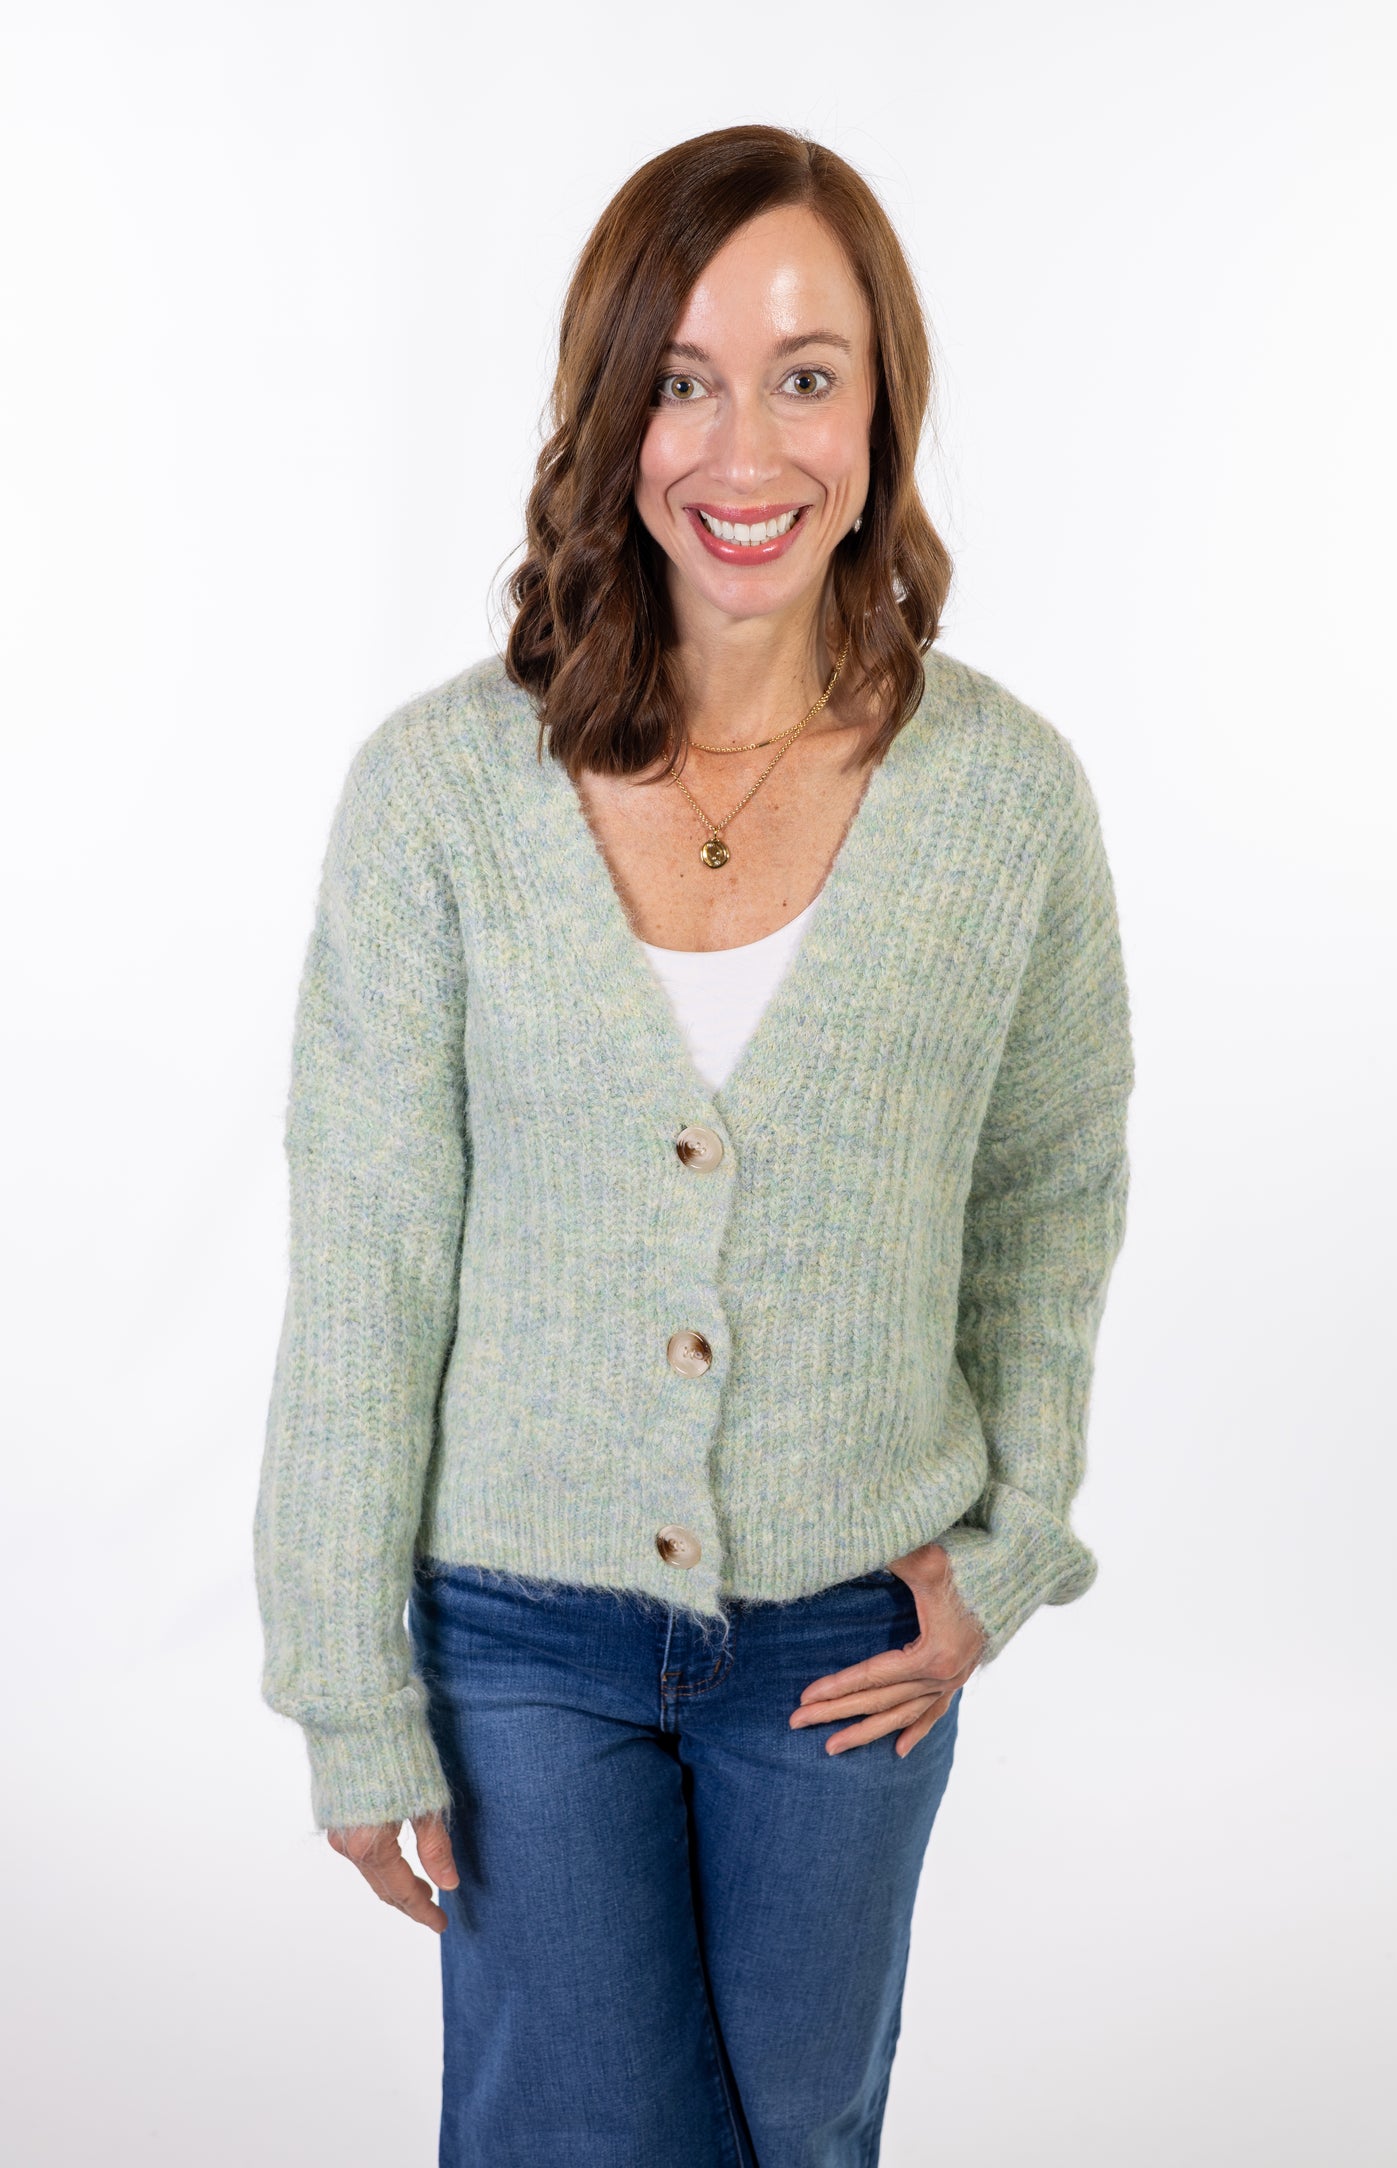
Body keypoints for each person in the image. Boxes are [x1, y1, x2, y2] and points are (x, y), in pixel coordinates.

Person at [253, 122, 1135, 2167]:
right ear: (610, 414)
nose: (746, 450)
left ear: (881, 410)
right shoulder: (439, 798)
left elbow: (1048, 1201)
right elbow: (367, 1257)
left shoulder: (1004, 800)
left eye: (805, 376)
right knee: (573, 2135)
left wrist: (1008, 1546)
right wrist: (346, 1685)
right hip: (521, 1627)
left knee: (800, 2133)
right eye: (682, 380)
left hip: (850, 1635)